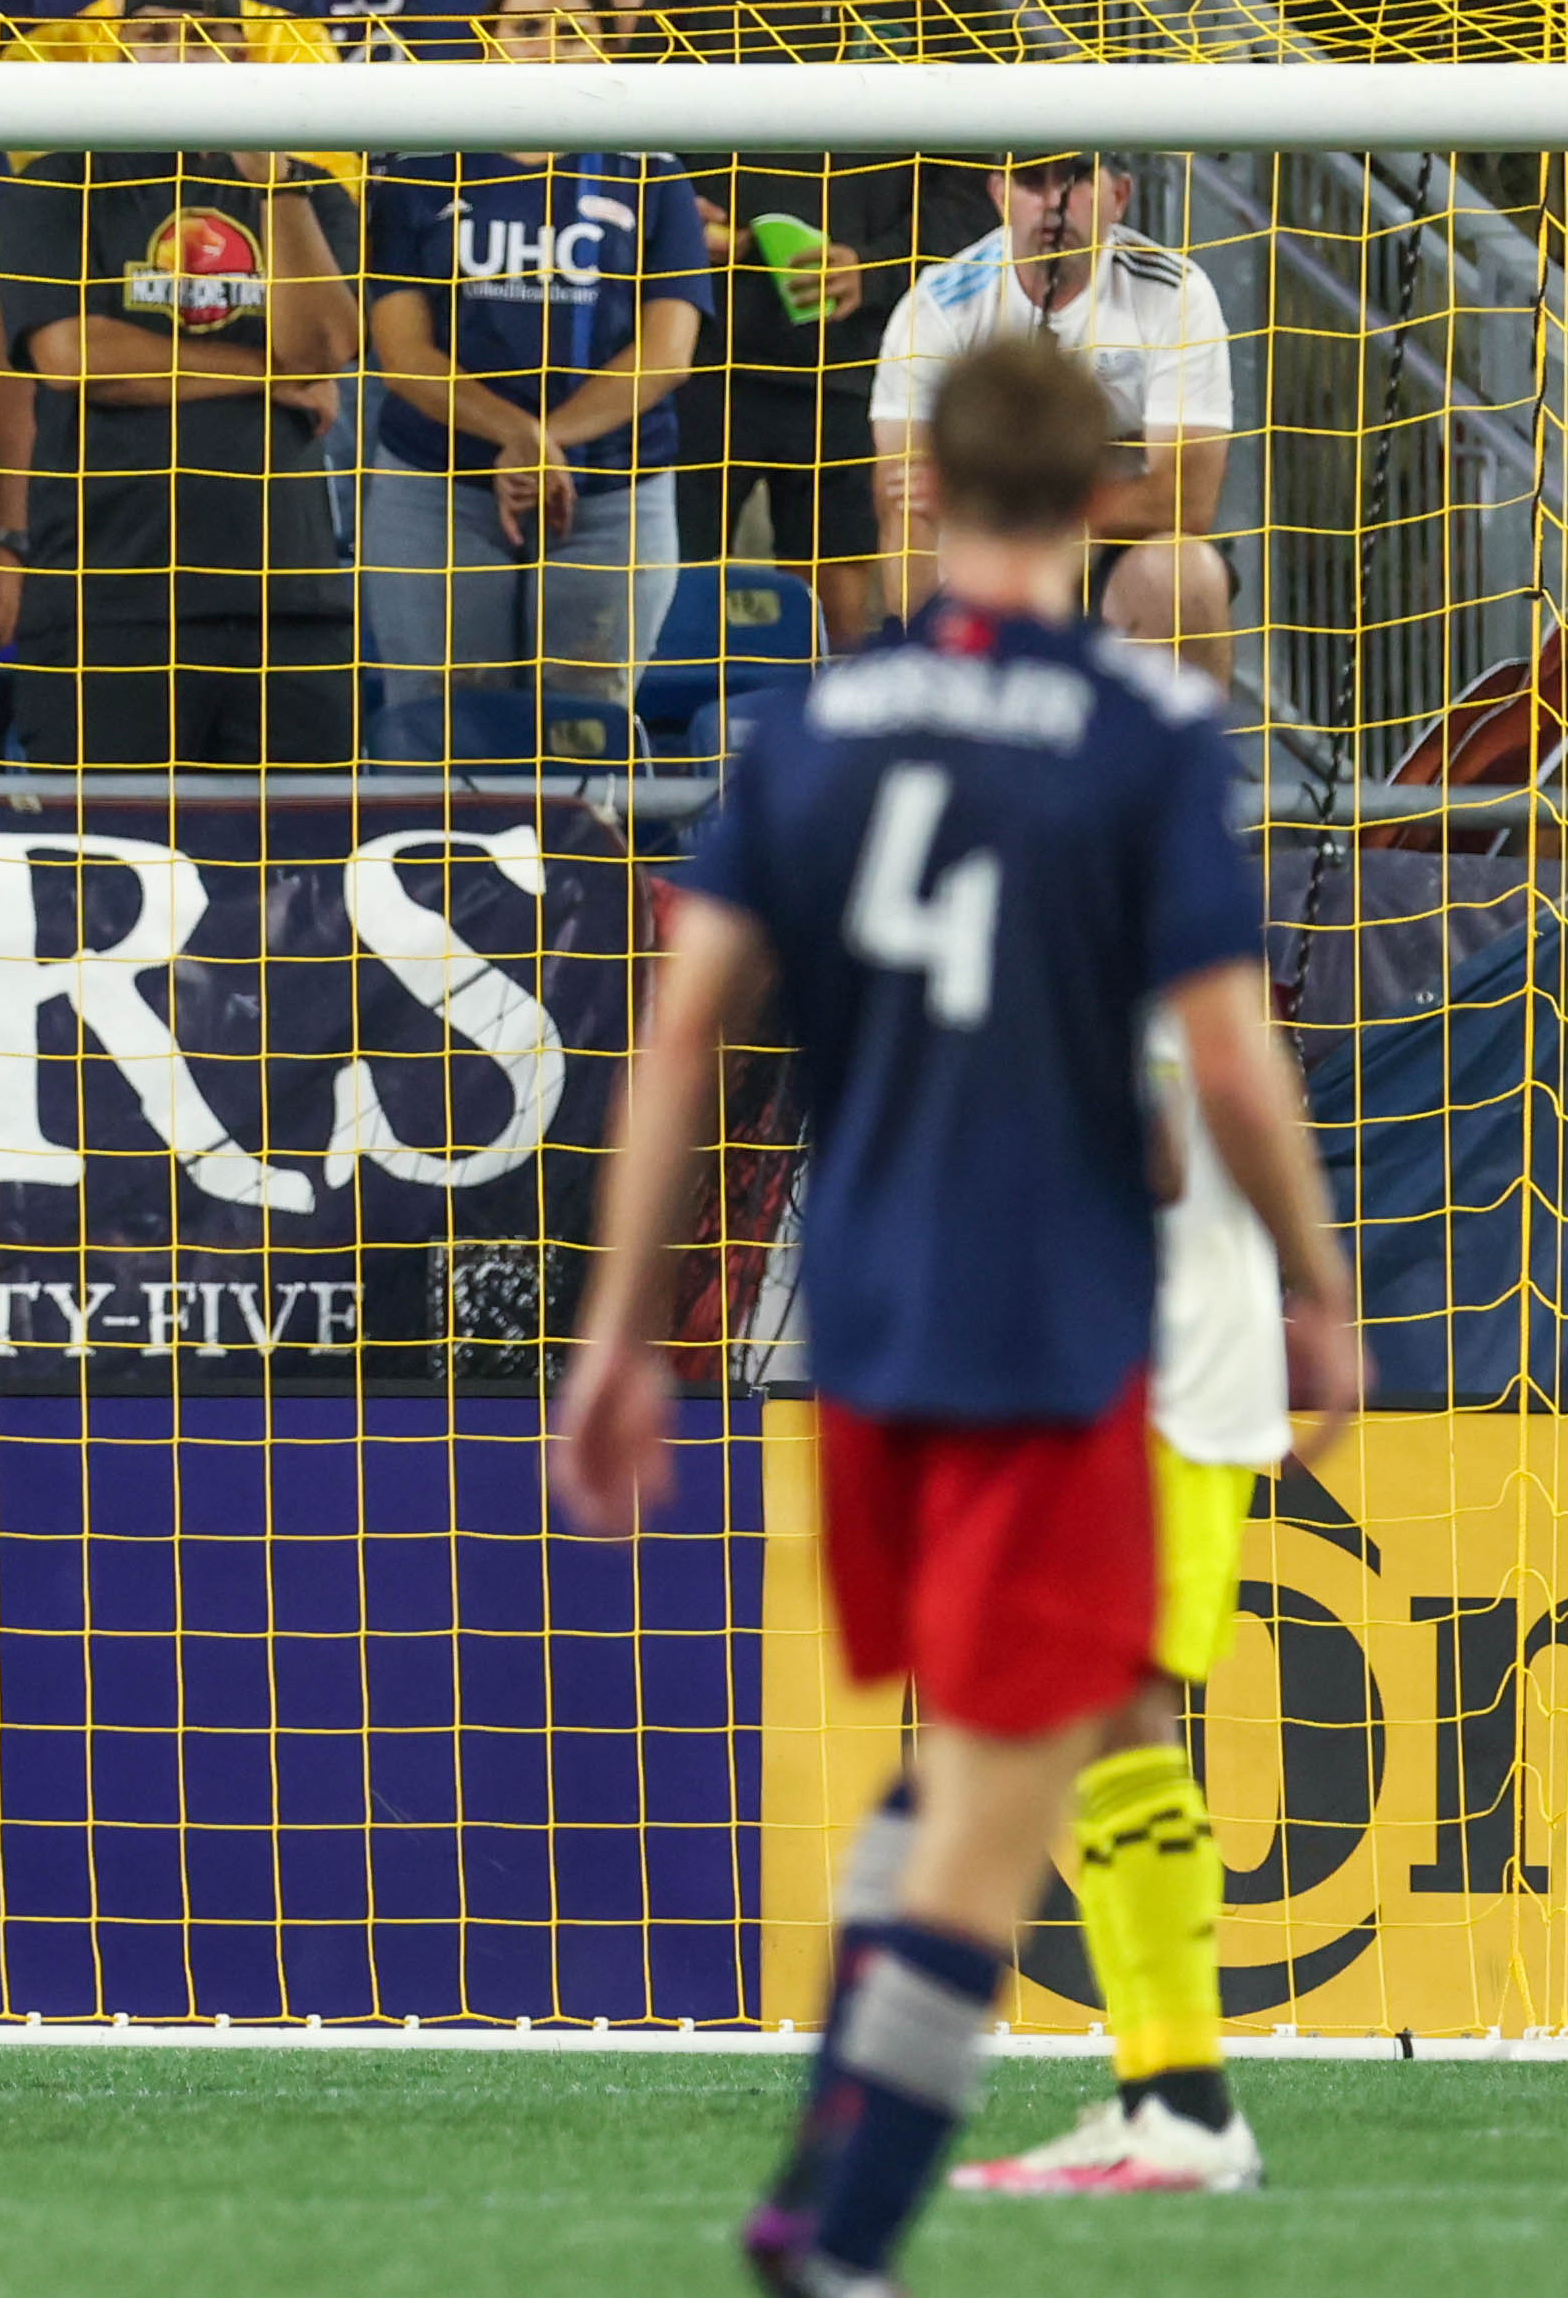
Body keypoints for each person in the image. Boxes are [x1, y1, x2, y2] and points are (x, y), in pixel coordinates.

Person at [551, 336, 1364, 2294]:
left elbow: (680, 1044)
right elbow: (1215, 1090)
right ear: (1110, 499)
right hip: (1060, 1324)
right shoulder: (1138, 737)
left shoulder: (808, 724)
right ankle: (838, 2230)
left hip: (872, 1321)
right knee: (1007, 1786)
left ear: (910, 487)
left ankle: (1068, 2131)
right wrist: (1321, 1282)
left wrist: (618, 1328)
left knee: (996, 1750)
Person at [949, 748, 1288, 2205]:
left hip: (1145, 1360)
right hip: (1169, 1353)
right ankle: (1168, 2091)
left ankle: (1185, 2100)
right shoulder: (1158, 896)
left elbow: (1146, 1148)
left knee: (1107, 1715)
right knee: (1107, 1721)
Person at [0, 0, 359, 768]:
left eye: (204, 37)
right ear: (120, 49)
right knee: (109, 874)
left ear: (244, 56)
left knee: (297, 878)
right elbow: (75, 357)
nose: (180, 55)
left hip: (287, 608)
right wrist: (266, 375)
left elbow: (323, 348)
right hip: (109, 602)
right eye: (156, 34)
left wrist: (272, 184)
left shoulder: (312, 192)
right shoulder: (58, 177)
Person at [359, 0, 713, 715]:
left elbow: (668, 353)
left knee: (590, 724)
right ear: (489, 40)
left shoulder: (651, 168)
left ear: (606, 46)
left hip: (614, 491)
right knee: (437, 721)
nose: (553, 44)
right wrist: (518, 437)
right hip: (436, 485)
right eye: (528, 26)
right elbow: (400, 353)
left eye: (577, 30)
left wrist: (542, 444)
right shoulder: (424, 165)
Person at [869, 153, 1238, 677]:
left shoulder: (1175, 293)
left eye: (1075, 181)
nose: (1052, 204)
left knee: (1185, 575)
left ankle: (1185, 754)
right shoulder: (936, 306)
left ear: (1120, 197)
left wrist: (1024, 506)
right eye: (1031, 182)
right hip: (983, 548)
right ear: (998, 195)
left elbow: (1187, 501)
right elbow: (907, 499)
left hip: (1115, 542)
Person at [672, 151, 974, 647]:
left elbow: (969, 189)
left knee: (831, 624)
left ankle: (824, 719)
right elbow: (635, 136)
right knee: (676, 606)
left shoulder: (934, 70)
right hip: (705, 358)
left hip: (847, 368)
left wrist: (878, 266)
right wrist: (668, 208)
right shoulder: (679, 68)